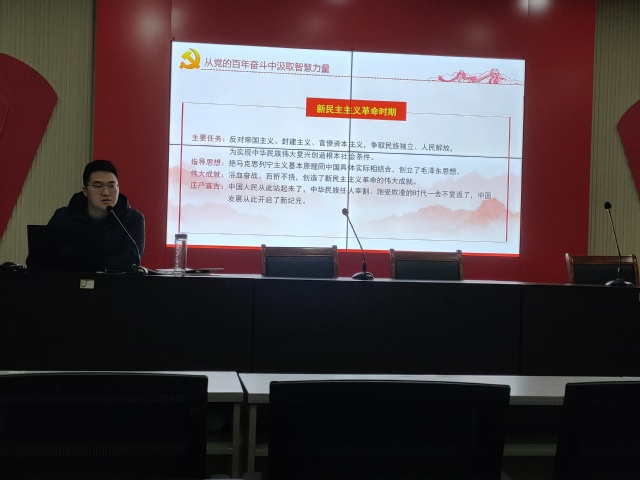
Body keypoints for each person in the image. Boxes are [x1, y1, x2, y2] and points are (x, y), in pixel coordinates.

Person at [46, 159, 145, 272]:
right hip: (70, 281)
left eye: (112, 186)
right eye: (98, 186)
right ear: (85, 191)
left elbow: (130, 260)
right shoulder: (64, 216)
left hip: (115, 281)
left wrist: (83, 263)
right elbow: (46, 255)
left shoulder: (132, 219)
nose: (106, 192)